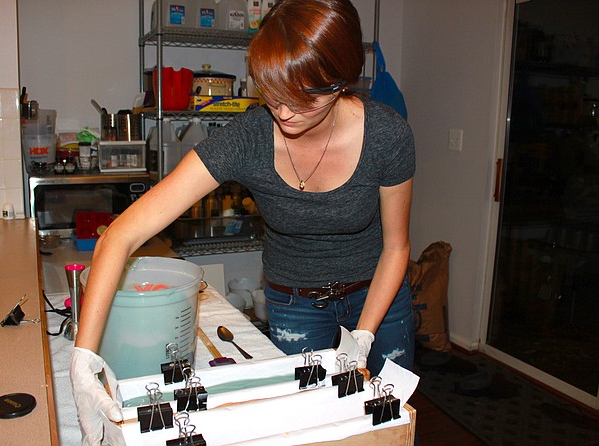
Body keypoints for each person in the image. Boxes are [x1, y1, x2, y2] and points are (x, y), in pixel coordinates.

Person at [70, 0, 415, 444]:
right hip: (295, 301)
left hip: (379, 294)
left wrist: (364, 335)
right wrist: (83, 358)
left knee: (390, 421)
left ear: (341, 82)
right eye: (273, 94)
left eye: (304, 98)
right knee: (302, 426)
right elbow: (122, 235)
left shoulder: (387, 136)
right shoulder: (248, 137)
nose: (285, 112)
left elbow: (397, 248)